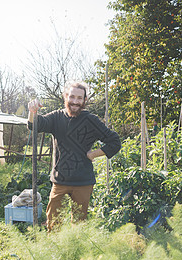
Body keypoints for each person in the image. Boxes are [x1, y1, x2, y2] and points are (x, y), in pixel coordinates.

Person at [28, 81, 121, 231]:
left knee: (79, 224)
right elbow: (34, 125)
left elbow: (114, 142)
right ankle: (55, 252)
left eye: (79, 98)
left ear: (85, 100)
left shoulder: (91, 120)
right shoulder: (56, 117)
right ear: (66, 97)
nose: (75, 102)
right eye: (72, 97)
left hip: (83, 181)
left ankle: (76, 252)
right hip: (60, 180)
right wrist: (32, 112)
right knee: (53, 222)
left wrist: (93, 154)